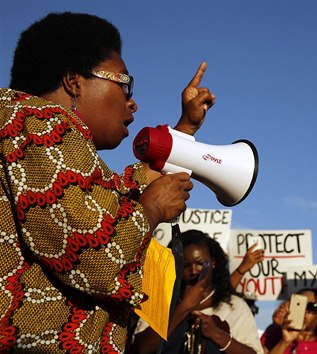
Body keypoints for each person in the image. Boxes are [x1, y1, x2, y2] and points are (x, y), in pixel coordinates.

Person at [0, 12, 213, 352]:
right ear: (74, 81)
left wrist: (184, 127)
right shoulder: (40, 123)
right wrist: (153, 209)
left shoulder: (37, 136)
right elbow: (93, 251)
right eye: (124, 83)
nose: (132, 101)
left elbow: (124, 191)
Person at [132, 230, 263, 354]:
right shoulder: (161, 300)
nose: (194, 271)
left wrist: (217, 334)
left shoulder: (233, 305)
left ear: (213, 262)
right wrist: (183, 307)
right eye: (186, 265)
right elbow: (142, 348)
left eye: (200, 263)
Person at [269, 287, 317, 354]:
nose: (304, 310)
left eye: (310, 307)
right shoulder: (275, 334)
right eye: (299, 304)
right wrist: (284, 342)